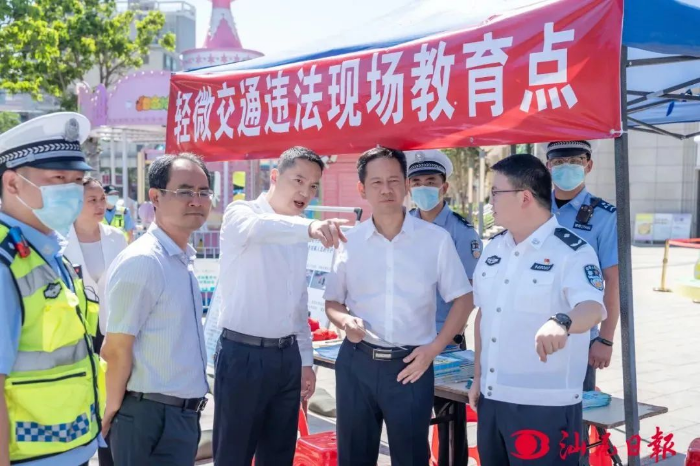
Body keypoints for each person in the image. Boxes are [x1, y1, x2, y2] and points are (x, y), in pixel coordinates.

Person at [324, 146, 474, 466]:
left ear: (406, 185)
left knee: (411, 458)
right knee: (353, 457)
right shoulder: (349, 241)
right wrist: (344, 321)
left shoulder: (435, 240)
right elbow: (332, 301)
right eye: (376, 183)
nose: (386, 189)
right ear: (362, 189)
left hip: (410, 366)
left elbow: (464, 298)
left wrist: (434, 349)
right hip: (357, 363)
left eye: (394, 180)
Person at [467, 154, 606, 466]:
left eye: (495, 192)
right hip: (492, 399)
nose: (491, 202)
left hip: (545, 407)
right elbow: (484, 316)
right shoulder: (494, 249)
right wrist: (478, 377)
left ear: (524, 197)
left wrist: (562, 321)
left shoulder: (571, 251)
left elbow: (592, 307)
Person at [213, 146, 347, 466]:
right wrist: (310, 228)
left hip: (287, 359)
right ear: (274, 176)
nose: (305, 193)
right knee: (234, 454)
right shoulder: (242, 213)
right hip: (243, 355)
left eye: (313, 186)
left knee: (279, 454)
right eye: (298, 181)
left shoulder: (298, 231)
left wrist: (305, 360)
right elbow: (261, 228)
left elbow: (297, 303)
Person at [0, 112, 104, 466]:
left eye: (77, 180)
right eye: (58, 178)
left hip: (71, 448)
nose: (72, 190)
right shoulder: (6, 262)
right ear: (12, 184)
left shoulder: (48, 250)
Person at [101, 154, 213, 466]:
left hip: (180, 416)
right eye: (184, 191)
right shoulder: (145, 261)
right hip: (148, 418)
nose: (196, 200)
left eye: (204, 192)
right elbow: (116, 348)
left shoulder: (180, 258)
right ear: (155, 197)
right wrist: (110, 412)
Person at [406, 149, 481, 466]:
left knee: (450, 425)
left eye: (430, 181)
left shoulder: (461, 232)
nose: (423, 187)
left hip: (445, 342)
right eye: (417, 182)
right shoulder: (401, 225)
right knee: (410, 422)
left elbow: (469, 294)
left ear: (444, 187)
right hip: (406, 340)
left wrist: (447, 338)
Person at [64, 177, 127, 466]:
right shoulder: (59, 240)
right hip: (74, 335)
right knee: (76, 405)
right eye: (93, 200)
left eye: (103, 199)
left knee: (111, 406)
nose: (101, 205)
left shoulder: (117, 237)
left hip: (111, 332)